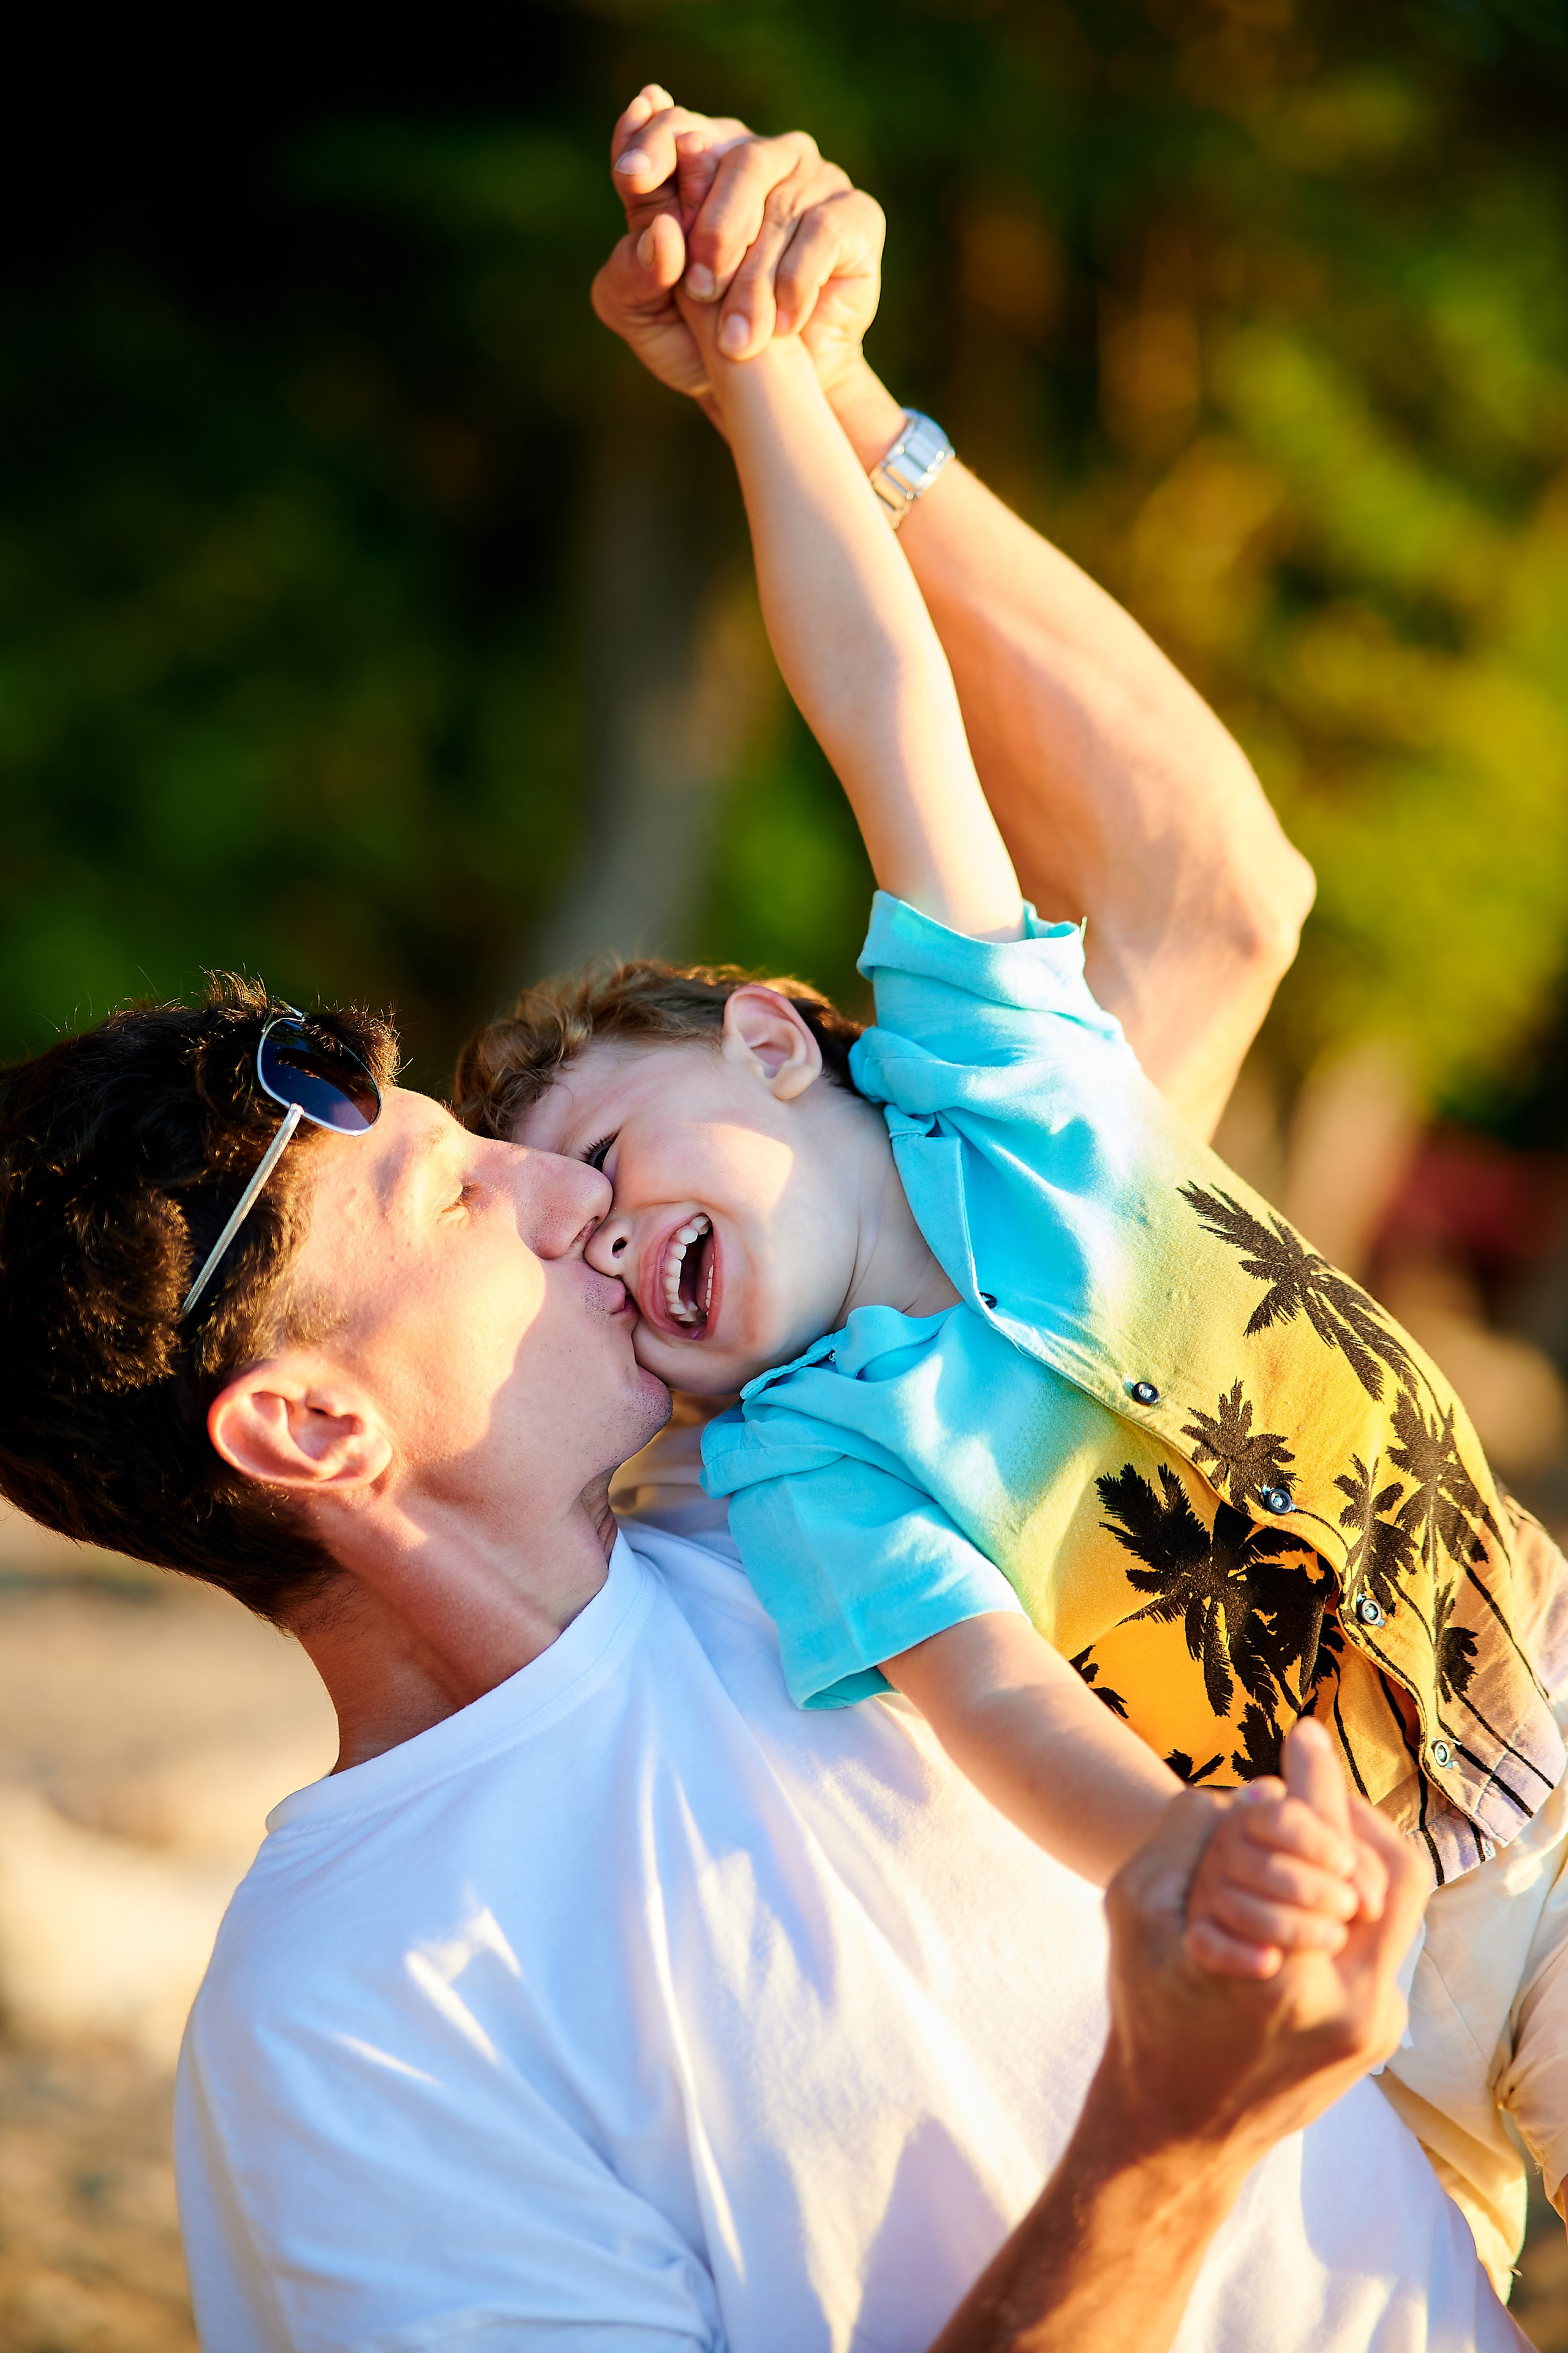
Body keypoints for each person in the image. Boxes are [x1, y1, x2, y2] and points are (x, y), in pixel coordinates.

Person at [0, 99, 1527, 2352]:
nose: (562, 1198)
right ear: (312, 1424)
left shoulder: (840, 1388)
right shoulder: (354, 2025)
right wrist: (1167, 2141)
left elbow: (1214, 894)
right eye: (459, 1186)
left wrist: (808, 378)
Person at [458, 90, 1568, 2289]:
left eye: (605, 1153)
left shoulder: (997, 1065)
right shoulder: (804, 1453)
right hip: (1428, 1914)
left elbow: (882, 697)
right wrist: (1194, 1862)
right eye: (583, 1253)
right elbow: (1001, 1709)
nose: (607, 1235)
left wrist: (774, 377)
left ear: (777, 1035)